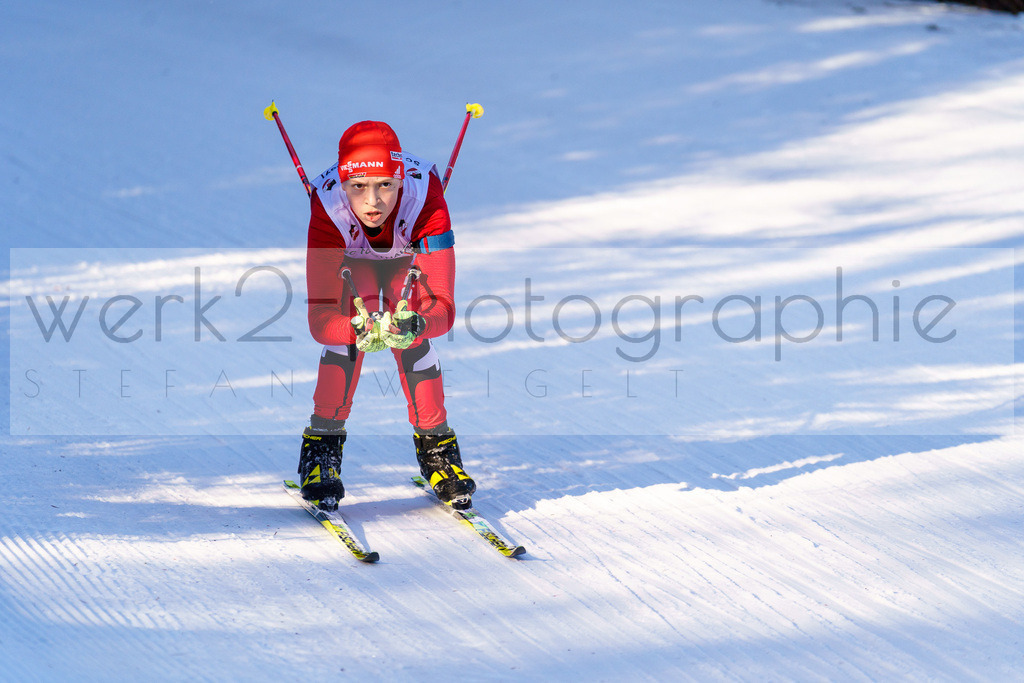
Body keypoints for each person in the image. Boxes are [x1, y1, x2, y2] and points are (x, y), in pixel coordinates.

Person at [297, 120, 475, 511]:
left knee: (411, 332)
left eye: (385, 186)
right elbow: (320, 320)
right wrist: (353, 327)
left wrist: (418, 323)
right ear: (342, 186)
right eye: (358, 187)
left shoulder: (427, 194)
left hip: (405, 261)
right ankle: (321, 454)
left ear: (400, 180)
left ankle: (438, 452)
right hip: (350, 260)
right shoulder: (325, 205)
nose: (373, 201)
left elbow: (443, 305)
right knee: (347, 339)